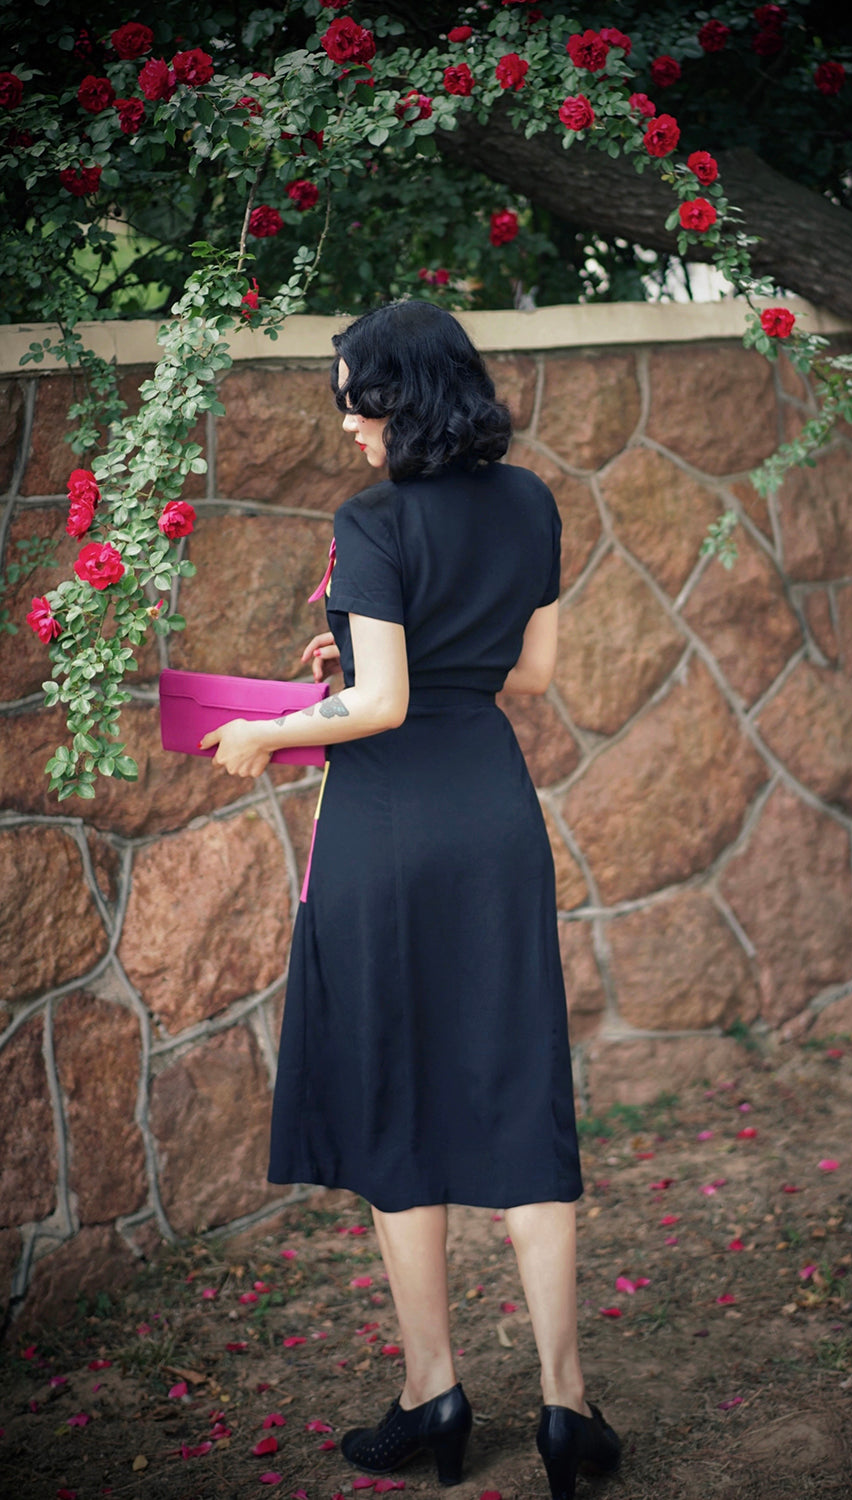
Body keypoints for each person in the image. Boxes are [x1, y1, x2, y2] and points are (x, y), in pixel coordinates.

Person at [202, 300, 621, 1499]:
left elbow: (377, 708)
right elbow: (527, 673)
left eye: (354, 393)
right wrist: (380, 655)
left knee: (396, 1093)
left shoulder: (372, 520)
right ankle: (564, 1405)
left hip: (389, 829)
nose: (343, 419)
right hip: (492, 816)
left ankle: (431, 1392)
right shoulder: (531, 501)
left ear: (404, 396)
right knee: (515, 1081)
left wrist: (266, 734)